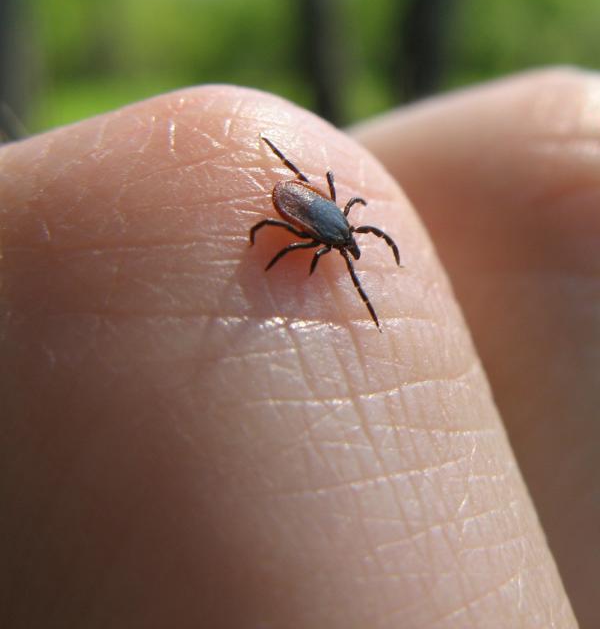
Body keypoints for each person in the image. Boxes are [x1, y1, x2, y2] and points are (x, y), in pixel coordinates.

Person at [0, 68, 593, 627]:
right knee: (289, 233)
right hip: (297, 204)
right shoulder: (330, 234)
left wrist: (296, 233)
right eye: (352, 245)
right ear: (345, 235)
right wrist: (271, 234)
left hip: (300, 204)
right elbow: (298, 226)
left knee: (297, 225)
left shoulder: (334, 233)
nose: (353, 250)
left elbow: (314, 219)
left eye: (351, 244)